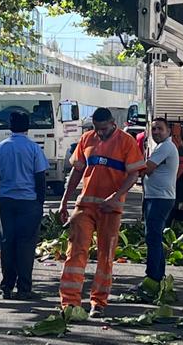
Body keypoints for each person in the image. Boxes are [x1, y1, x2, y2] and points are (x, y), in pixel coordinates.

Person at [57, 107, 144, 318]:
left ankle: (98, 302)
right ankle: (69, 302)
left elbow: (133, 175)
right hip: (85, 206)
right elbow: (77, 171)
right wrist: (64, 202)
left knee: (106, 256)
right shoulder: (87, 139)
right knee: (76, 252)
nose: (100, 133)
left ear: (113, 123)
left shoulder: (126, 142)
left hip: (111, 209)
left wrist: (115, 197)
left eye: (103, 129)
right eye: (97, 129)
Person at [0, 110, 49, 300]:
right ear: (28, 126)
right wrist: (40, 202)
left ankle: (6, 287)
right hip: (29, 203)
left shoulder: (0, 148)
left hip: (7, 202)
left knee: (7, 244)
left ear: (9, 126)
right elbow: (40, 178)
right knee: (26, 246)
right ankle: (24, 289)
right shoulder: (34, 148)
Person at [140, 117, 180, 288]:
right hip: (155, 197)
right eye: (154, 129)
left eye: (160, 129)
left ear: (168, 131)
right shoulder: (161, 147)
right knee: (154, 237)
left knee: (153, 238)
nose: (156, 132)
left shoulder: (166, 147)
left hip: (160, 199)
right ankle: (158, 276)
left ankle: (153, 278)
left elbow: (146, 169)